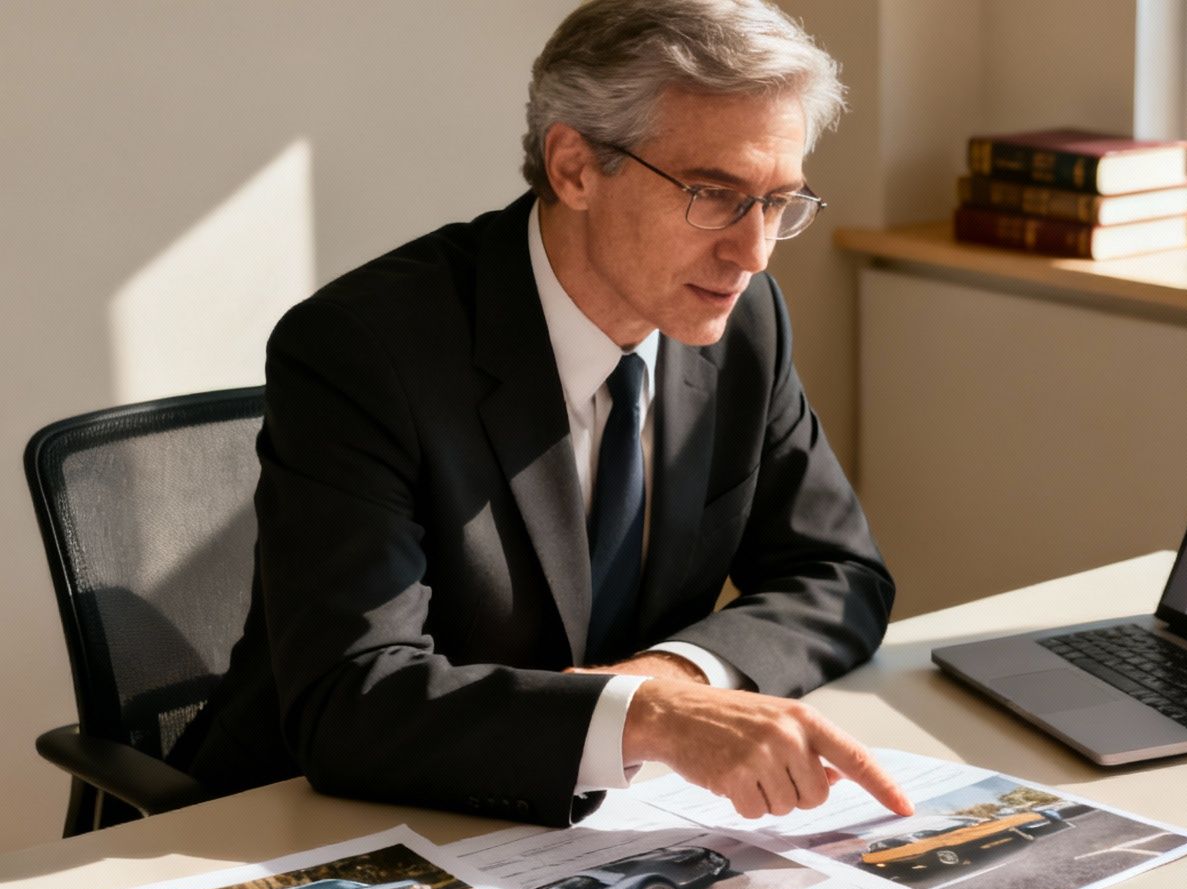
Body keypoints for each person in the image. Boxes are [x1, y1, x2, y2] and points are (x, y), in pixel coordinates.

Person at [173, 0, 914, 828]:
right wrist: (646, 719)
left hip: (591, 827)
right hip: (306, 823)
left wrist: (671, 683)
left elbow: (839, 578)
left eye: (779, 202)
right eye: (715, 195)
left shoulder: (746, 321)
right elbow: (353, 699)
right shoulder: (362, 349)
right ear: (575, 168)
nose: (753, 253)